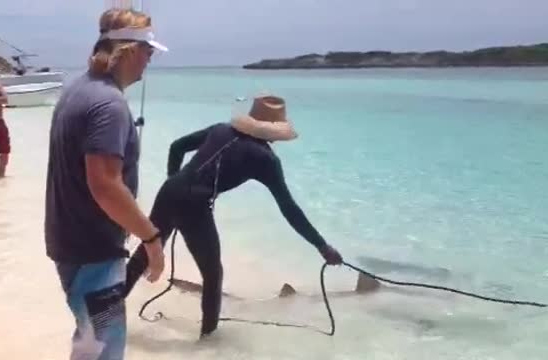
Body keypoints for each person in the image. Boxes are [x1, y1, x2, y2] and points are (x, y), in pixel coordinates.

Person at [123, 94, 344, 338]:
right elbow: (289, 208)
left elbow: (176, 146)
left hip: (169, 192)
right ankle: (208, 342)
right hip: (194, 206)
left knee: (143, 256)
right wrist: (321, 246)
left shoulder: (220, 130)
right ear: (275, 131)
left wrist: (174, 181)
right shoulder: (266, 159)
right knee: (213, 274)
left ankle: (102, 315)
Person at [44, 8, 168, 360]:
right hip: (93, 249)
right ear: (129, 50)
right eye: (148, 50)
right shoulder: (109, 105)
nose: (151, 58)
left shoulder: (77, 90)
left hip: (71, 240)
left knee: (89, 341)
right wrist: (152, 240)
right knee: (104, 348)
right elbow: (105, 186)